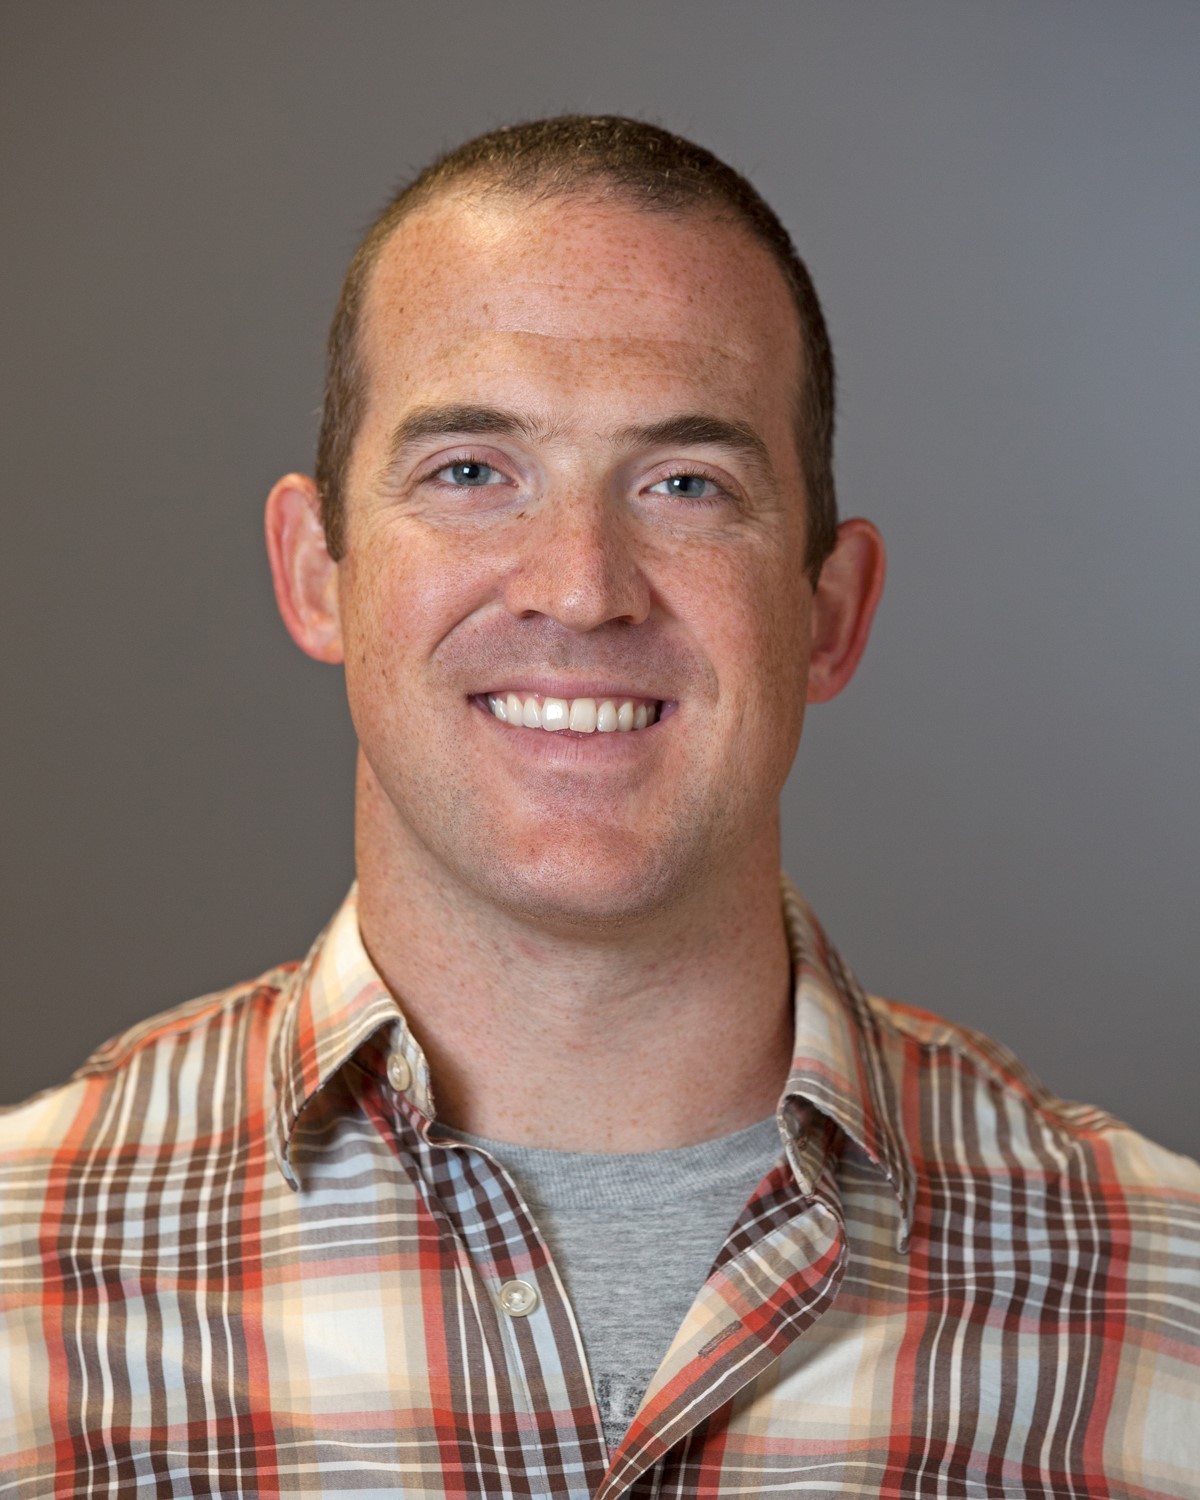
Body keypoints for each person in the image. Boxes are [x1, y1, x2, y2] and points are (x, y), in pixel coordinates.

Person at [1, 115, 1196, 1499]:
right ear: (317, 571)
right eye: (469, 473)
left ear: (829, 612)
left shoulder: (1160, 1303)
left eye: (687, 486)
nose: (579, 587)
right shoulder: (26, 1278)